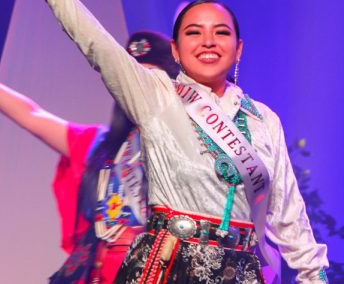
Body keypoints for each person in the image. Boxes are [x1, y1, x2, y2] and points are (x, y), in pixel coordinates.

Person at [45, 0, 329, 283]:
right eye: (194, 33)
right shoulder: (156, 96)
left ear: (238, 49)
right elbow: (96, 43)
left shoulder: (263, 120)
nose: (208, 42)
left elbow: (288, 213)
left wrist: (313, 275)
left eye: (221, 32)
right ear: (175, 50)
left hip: (240, 273)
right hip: (169, 265)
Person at [0, 11, 179, 284]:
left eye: (149, 79)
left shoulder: (188, 145)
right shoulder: (100, 146)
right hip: (102, 272)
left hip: (163, 271)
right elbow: (31, 115)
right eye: (132, 79)